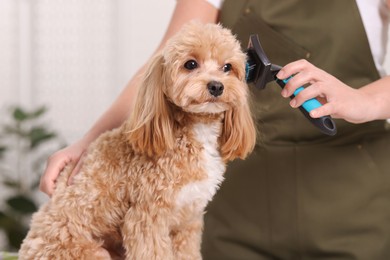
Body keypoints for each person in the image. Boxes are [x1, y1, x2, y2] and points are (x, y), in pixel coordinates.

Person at [40, 0, 390, 259]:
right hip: (238, 210)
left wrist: (365, 101)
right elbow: (162, 66)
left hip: (352, 206)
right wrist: (88, 141)